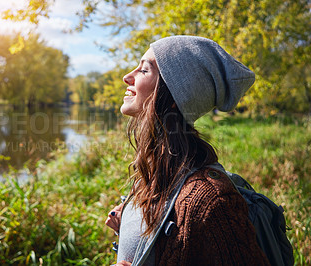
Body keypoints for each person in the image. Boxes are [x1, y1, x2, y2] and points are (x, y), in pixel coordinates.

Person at [105, 36, 270, 266]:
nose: (127, 76)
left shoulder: (212, 201)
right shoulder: (158, 174)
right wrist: (133, 217)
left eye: (144, 70)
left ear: (173, 96)